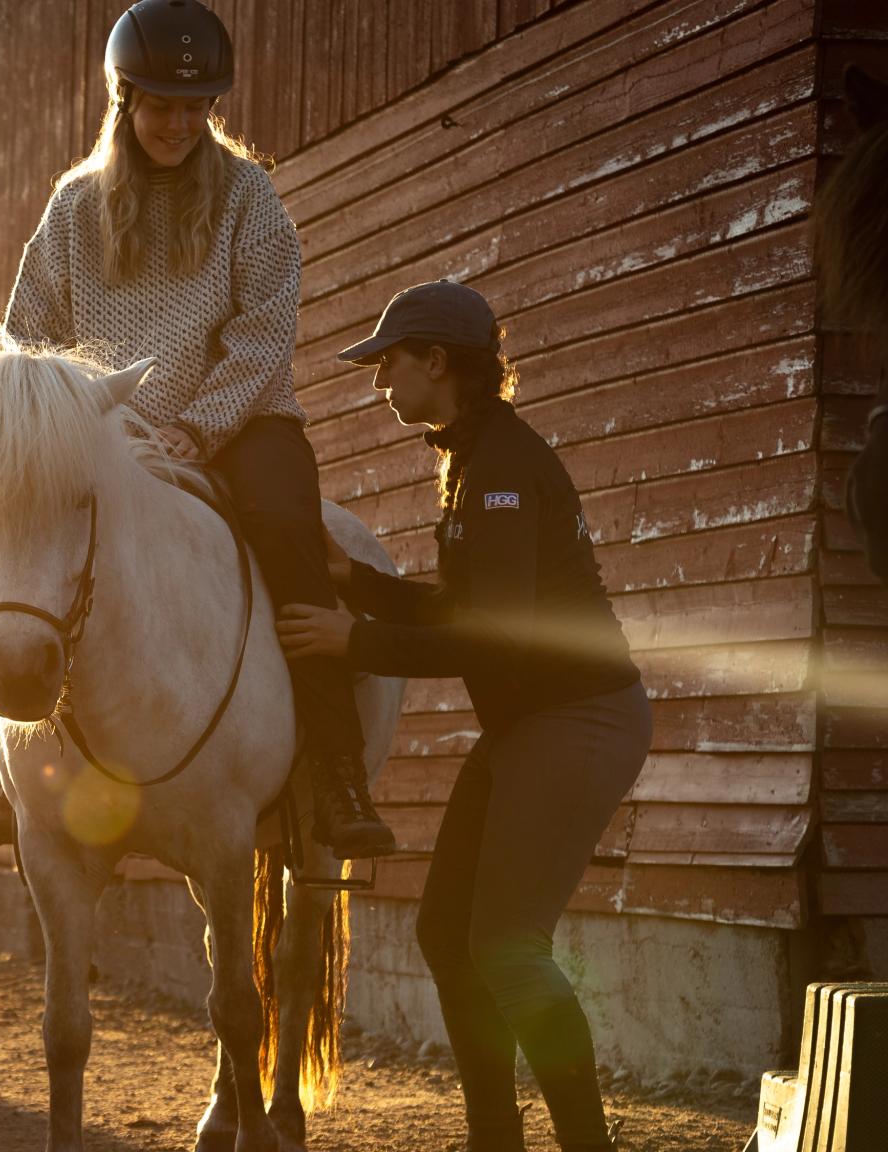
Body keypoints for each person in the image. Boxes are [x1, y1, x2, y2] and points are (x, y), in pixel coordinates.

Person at [0, 0, 396, 859]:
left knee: (287, 534)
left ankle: (335, 771)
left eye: (196, 107)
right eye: (161, 104)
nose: (179, 123)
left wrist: (197, 430)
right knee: (0, 533)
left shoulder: (250, 196)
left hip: (241, 421)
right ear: (122, 98)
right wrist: (57, 426)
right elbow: (28, 337)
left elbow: (266, 331)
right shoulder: (72, 208)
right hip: (100, 432)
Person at [275, 280, 649, 1152]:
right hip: (531, 724)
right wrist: (355, 585)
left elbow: (498, 642)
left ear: (437, 363)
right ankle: (495, 1140)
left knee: (509, 947)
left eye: (388, 365)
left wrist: (353, 640)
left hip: (579, 719)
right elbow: (459, 607)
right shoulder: (471, 455)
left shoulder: (505, 467)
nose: (380, 385)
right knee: (448, 933)